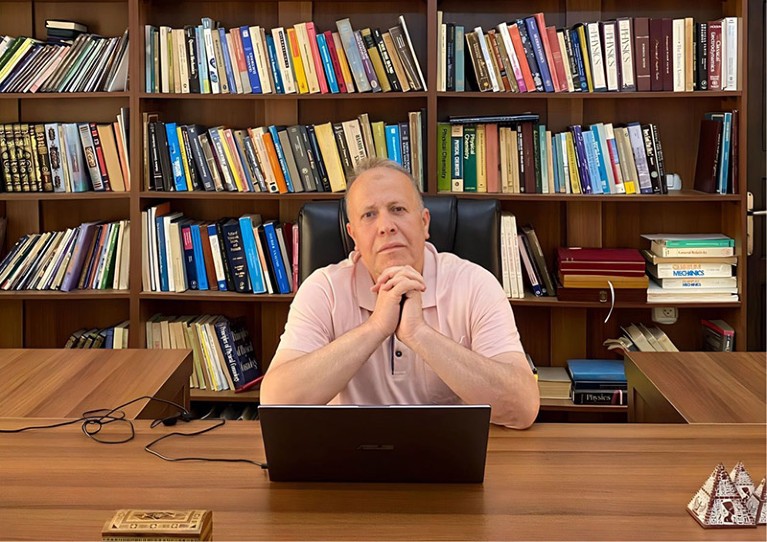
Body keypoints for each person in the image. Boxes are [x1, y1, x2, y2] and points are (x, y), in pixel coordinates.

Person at [260, 157, 539, 428]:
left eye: (398, 209)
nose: (386, 226)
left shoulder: (475, 284)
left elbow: (522, 408)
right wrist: (376, 327)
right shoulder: (324, 288)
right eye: (369, 215)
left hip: (448, 458)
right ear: (353, 235)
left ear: (424, 222)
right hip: (348, 460)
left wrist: (418, 333)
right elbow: (275, 403)